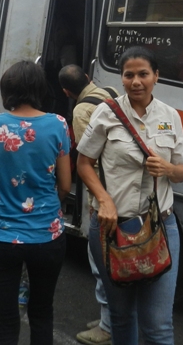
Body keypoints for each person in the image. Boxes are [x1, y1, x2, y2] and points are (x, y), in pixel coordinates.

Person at [76, 46, 183, 345]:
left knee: (158, 325)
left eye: (143, 74)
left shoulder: (170, 116)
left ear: (156, 76)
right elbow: (83, 163)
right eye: (129, 75)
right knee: (122, 317)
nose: (136, 81)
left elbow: (182, 172)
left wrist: (167, 168)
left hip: (161, 228)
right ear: (122, 78)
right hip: (112, 228)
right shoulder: (106, 112)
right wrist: (104, 199)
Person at [0, 61, 72, 345]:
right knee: (42, 314)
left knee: (4, 322)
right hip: (46, 234)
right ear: (40, 89)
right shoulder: (57, 124)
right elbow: (65, 185)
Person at [57, 65, 117, 345]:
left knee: (101, 263)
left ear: (67, 92)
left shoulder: (81, 112)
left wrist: (96, 199)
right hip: (122, 185)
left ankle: (108, 326)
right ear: (89, 79)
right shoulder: (111, 92)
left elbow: (88, 159)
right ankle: (113, 316)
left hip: (105, 192)